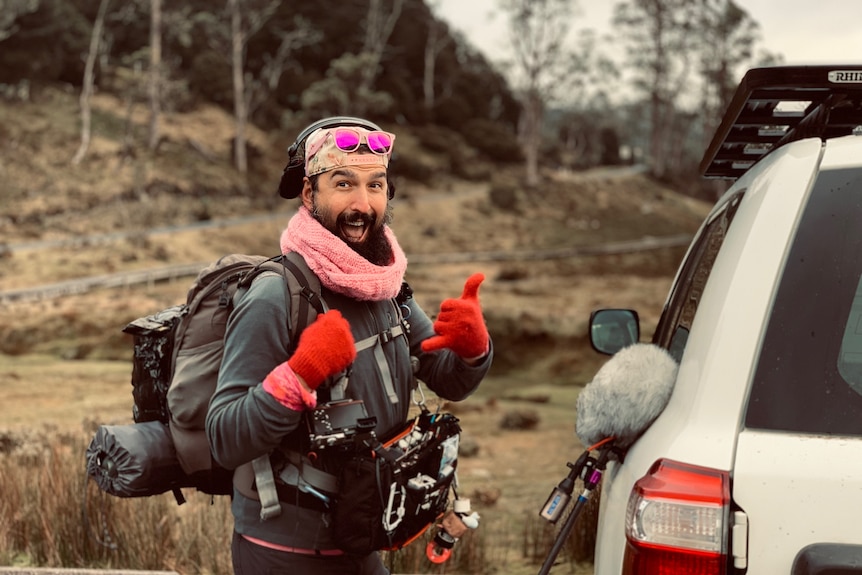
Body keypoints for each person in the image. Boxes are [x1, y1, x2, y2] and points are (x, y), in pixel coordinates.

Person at [206, 116, 493, 575]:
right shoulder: (274, 294)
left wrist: (474, 350)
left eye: (376, 185)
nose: (362, 204)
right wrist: (298, 375)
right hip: (285, 549)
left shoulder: (384, 288)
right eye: (343, 183)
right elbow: (224, 437)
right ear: (308, 194)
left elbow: (448, 380)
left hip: (360, 534)